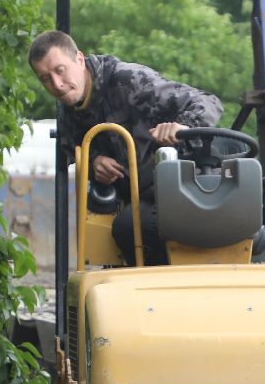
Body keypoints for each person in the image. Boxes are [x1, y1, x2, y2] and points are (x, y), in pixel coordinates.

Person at [27, 30, 223, 265]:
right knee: (117, 228)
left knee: (129, 227)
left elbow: (208, 102)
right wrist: (94, 161)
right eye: (46, 79)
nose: (57, 85)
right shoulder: (69, 107)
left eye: (60, 70)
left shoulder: (129, 81)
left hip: (187, 188)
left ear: (79, 59)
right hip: (141, 198)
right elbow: (70, 145)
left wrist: (181, 127)